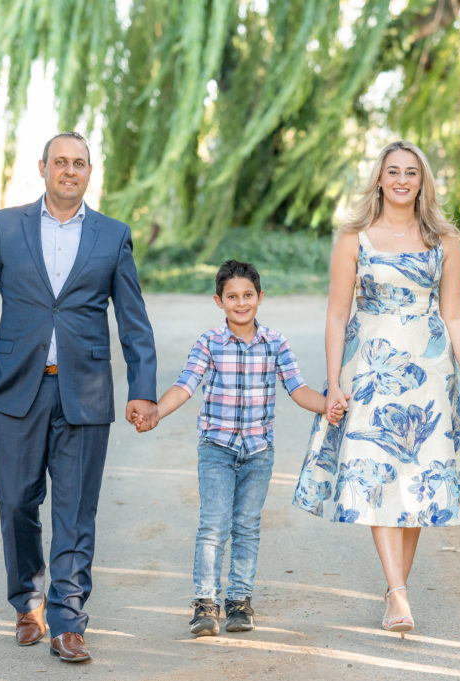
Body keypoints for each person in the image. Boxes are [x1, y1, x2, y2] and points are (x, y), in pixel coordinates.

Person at [0, 131, 159, 663]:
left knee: (75, 508)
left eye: (79, 163)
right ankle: (27, 602)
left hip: (86, 392)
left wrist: (143, 390)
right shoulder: (5, 227)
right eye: (60, 162)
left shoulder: (112, 236)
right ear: (43, 168)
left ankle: (68, 619)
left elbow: (134, 323)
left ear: (89, 173)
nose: (69, 170)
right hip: (12, 391)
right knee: (16, 500)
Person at [292, 140, 460, 636]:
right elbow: (338, 314)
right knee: (373, 468)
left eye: (411, 172)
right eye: (393, 171)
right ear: (379, 179)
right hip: (370, 370)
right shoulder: (354, 237)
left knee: (419, 478)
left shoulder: (444, 240)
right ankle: (398, 592)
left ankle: (395, 586)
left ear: (422, 181)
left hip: (429, 373)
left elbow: (455, 313)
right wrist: (334, 381)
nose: (402, 180)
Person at [139, 259, 327, 636]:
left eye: (247, 295)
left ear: (260, 297)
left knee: (247, 526)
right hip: (217, 448)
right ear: (218, 301)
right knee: (213, 524)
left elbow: (298, 389)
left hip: (259, 451)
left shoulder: (275, 342)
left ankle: (239, 602)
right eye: (231, 296)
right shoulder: (209, 343)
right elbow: (185, 384)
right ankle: (206, 604)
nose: (240, 303)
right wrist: (157, 411)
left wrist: (330, 406)